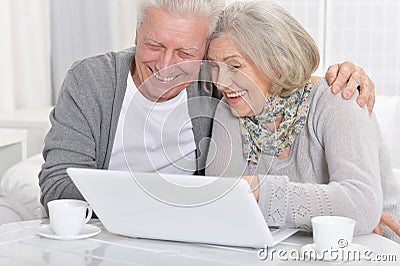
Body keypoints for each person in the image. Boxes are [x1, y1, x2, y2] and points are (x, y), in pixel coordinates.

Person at [39, 0, 374, 214]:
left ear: (203, 53)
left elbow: (272, 79)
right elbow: (57, 185)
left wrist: (342, 78)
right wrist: (160, 205)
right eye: (154, 44)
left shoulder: (216, 88)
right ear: (137, 34)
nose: (166, 65)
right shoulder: (92, 81)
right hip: (107, 233)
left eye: (185, 53)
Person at [205, 0, 400, 242]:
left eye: (234, 66)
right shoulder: (230, 108)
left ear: (275, 63)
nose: (220, 82)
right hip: (290, 251)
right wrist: (336, 209)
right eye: (214, 67)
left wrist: (259, 191)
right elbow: (220, 202)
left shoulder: (337, 98)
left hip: (379, 245)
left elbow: (360, 205)